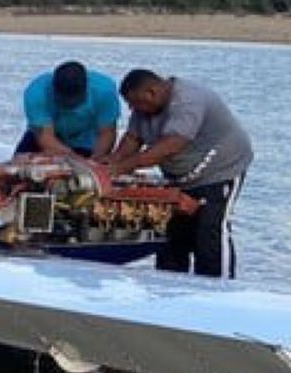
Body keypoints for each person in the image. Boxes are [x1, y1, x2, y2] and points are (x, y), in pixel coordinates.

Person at [107, 69, 254, 279]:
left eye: (136, 103)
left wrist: (122, 168)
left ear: (152, 92)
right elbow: (132, 139)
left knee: (209, 232)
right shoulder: (144, 109)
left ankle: (220, 293)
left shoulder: (188, 101)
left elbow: (171, 145)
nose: (132, 109)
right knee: (171, 235)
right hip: (179, 178)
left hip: (222, 170)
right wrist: (111, 163)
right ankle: (170, 293)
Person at [16, 61, 120, 159]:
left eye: (75, 100)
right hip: (48, 136)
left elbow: (107, 133)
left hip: (86, 139)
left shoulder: (105, 91)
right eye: (64, 99)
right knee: (17, 167)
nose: (69, 104)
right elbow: (45, 137)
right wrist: (75, 159)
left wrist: (95, 161)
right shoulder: (36, 94)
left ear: (86, 88)